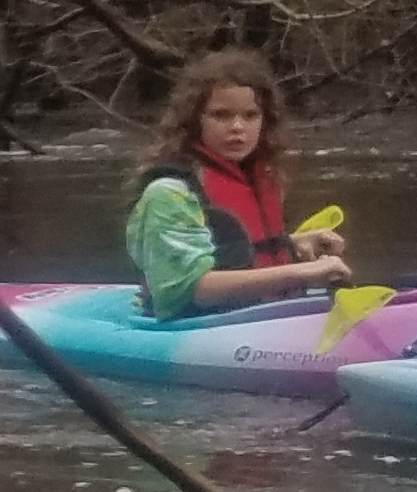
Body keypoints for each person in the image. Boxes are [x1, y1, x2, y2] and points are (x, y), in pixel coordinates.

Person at [127, 47, 355, 318]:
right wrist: (301, 273)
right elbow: (190, 289)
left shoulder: (262, 177)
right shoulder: (169, 192)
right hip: (201, 327)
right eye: (221, 115)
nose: (237, 127)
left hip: (266, 314)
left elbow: (234, 249)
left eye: (250, 115)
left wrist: (293, 245)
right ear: (193, 121)